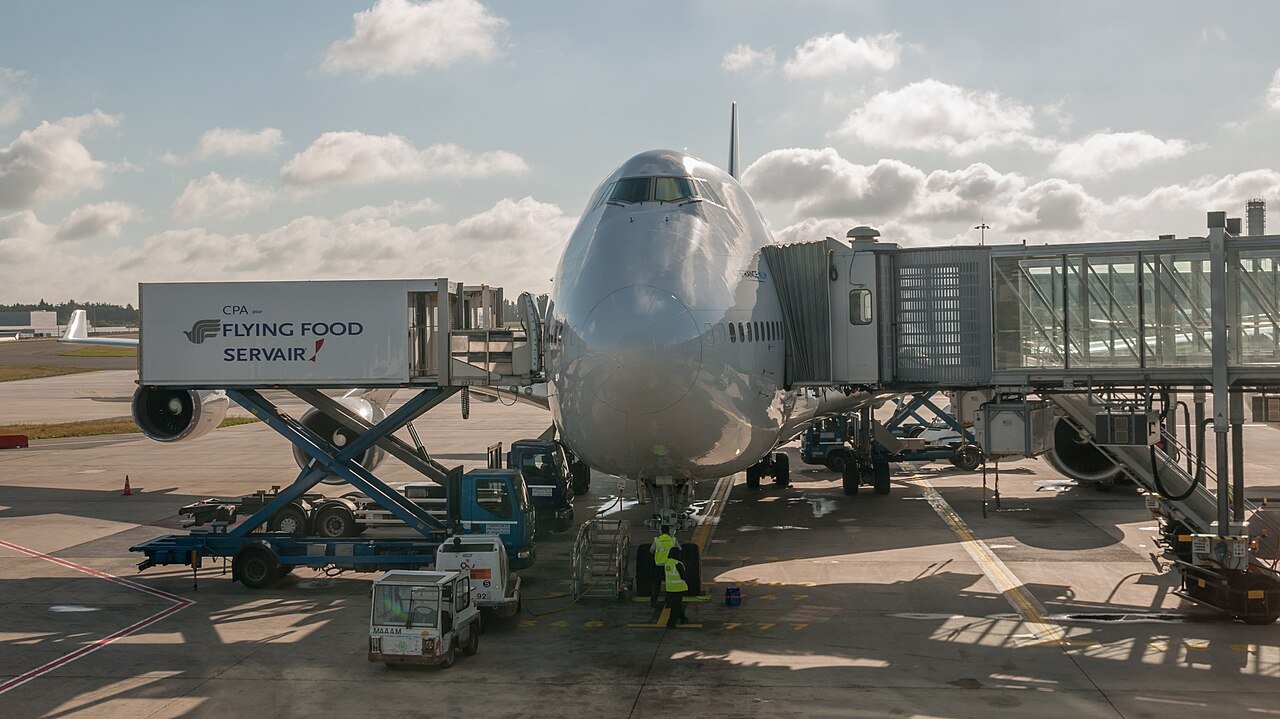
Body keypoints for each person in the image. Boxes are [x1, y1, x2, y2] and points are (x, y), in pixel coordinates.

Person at [650, 525, 680, 607]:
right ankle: (669, 601)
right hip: (670, 565)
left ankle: (654, 601)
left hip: (659, 565)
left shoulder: (657, 540)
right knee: (669, 583)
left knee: (657, 584)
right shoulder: (673, 540)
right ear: (668, 531)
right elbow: (679, 549)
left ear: (661, 531)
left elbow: (651, 550)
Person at [663, 548, 690, 628]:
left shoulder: (667, 562)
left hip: (670, 588)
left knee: (676, 605)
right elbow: (683, 576)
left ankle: (683, 618)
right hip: (678, 588)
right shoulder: (678, 564)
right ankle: (670, 624)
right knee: (676, 607)